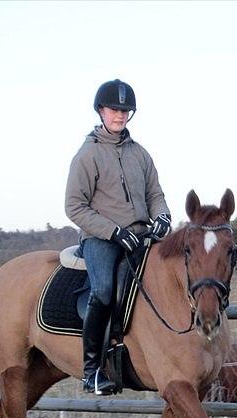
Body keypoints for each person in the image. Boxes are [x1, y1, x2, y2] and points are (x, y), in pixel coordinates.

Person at [65, 79, 172, 395]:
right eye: (114, 109)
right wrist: (113, 232)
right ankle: (92, 370)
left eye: (126, 110)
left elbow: (155, 194)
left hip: (140, 236)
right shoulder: (87, 155)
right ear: (101, 110)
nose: (120, 115)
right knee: (104, 290)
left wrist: (163, 217)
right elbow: (74, 206)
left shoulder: (141, 154)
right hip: (101, 238)